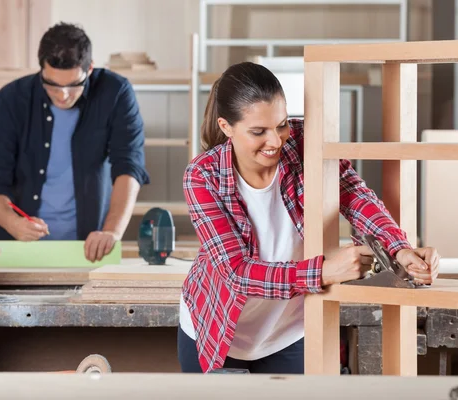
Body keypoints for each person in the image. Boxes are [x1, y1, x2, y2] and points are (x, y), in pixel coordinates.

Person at [177, 62, 440, 374]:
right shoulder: (202, 176)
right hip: (219, 329)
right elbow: (236, 272)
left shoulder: (303, 142)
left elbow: (352, 193)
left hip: (288, 331)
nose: (275, 141)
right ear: (226, 127)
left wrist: (399, 248)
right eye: (258, 132)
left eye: (282, 125)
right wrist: (325, 272)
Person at [0, 22, 149, 262]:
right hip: (15, 250)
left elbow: (130, 166)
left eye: (73, 85)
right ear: (41, 70)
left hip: (88, 250)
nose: (62, 94)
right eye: (52, 84)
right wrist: (13, 224)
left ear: (89, 69)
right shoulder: (10, 100)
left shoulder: (116, 93)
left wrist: (111, 231)